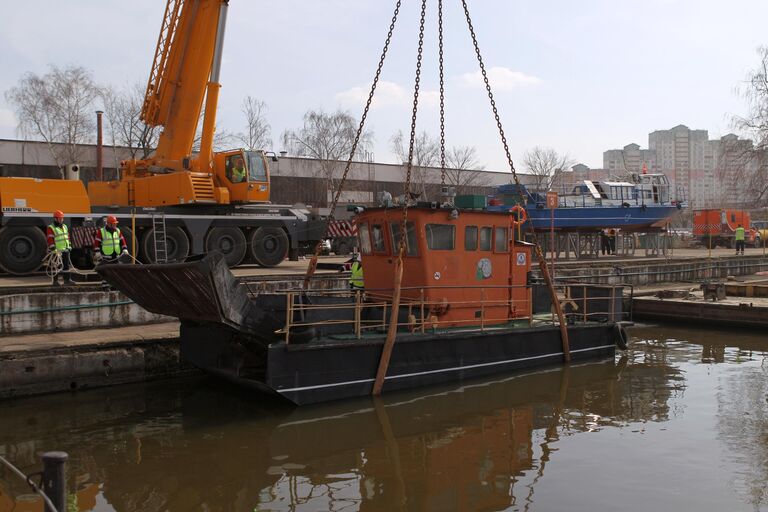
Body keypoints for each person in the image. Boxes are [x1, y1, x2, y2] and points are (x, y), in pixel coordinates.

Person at [46, 210, 73, 286]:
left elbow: (67, 237)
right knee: (55, 266)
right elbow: (50, 239)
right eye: (60, 218)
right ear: (55, 219)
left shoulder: (64, 226)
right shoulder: (51, 227)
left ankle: (67, 280)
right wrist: (53, 249)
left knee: (66, 266)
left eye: (62, 218)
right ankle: (55, 282)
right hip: (57, 251)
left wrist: (69, 246)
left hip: (65, 250)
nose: (61, 220)